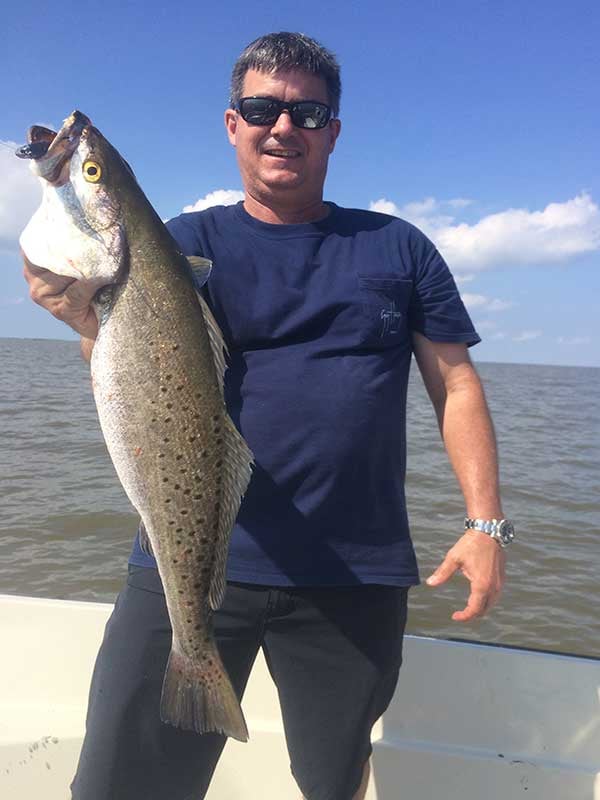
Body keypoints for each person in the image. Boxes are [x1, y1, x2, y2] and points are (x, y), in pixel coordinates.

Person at [24, 31, 509, 800]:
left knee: (333, 781)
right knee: (124, 786)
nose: (283, 126)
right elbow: (132, 377)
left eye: (307, 112)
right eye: (262, 108)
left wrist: (485, 525)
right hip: (183, 562)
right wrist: (86, 321)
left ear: (333, 131)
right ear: (232, 124)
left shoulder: (400, 248)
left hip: (354, 576)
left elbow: (456, 385)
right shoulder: (183, 245)